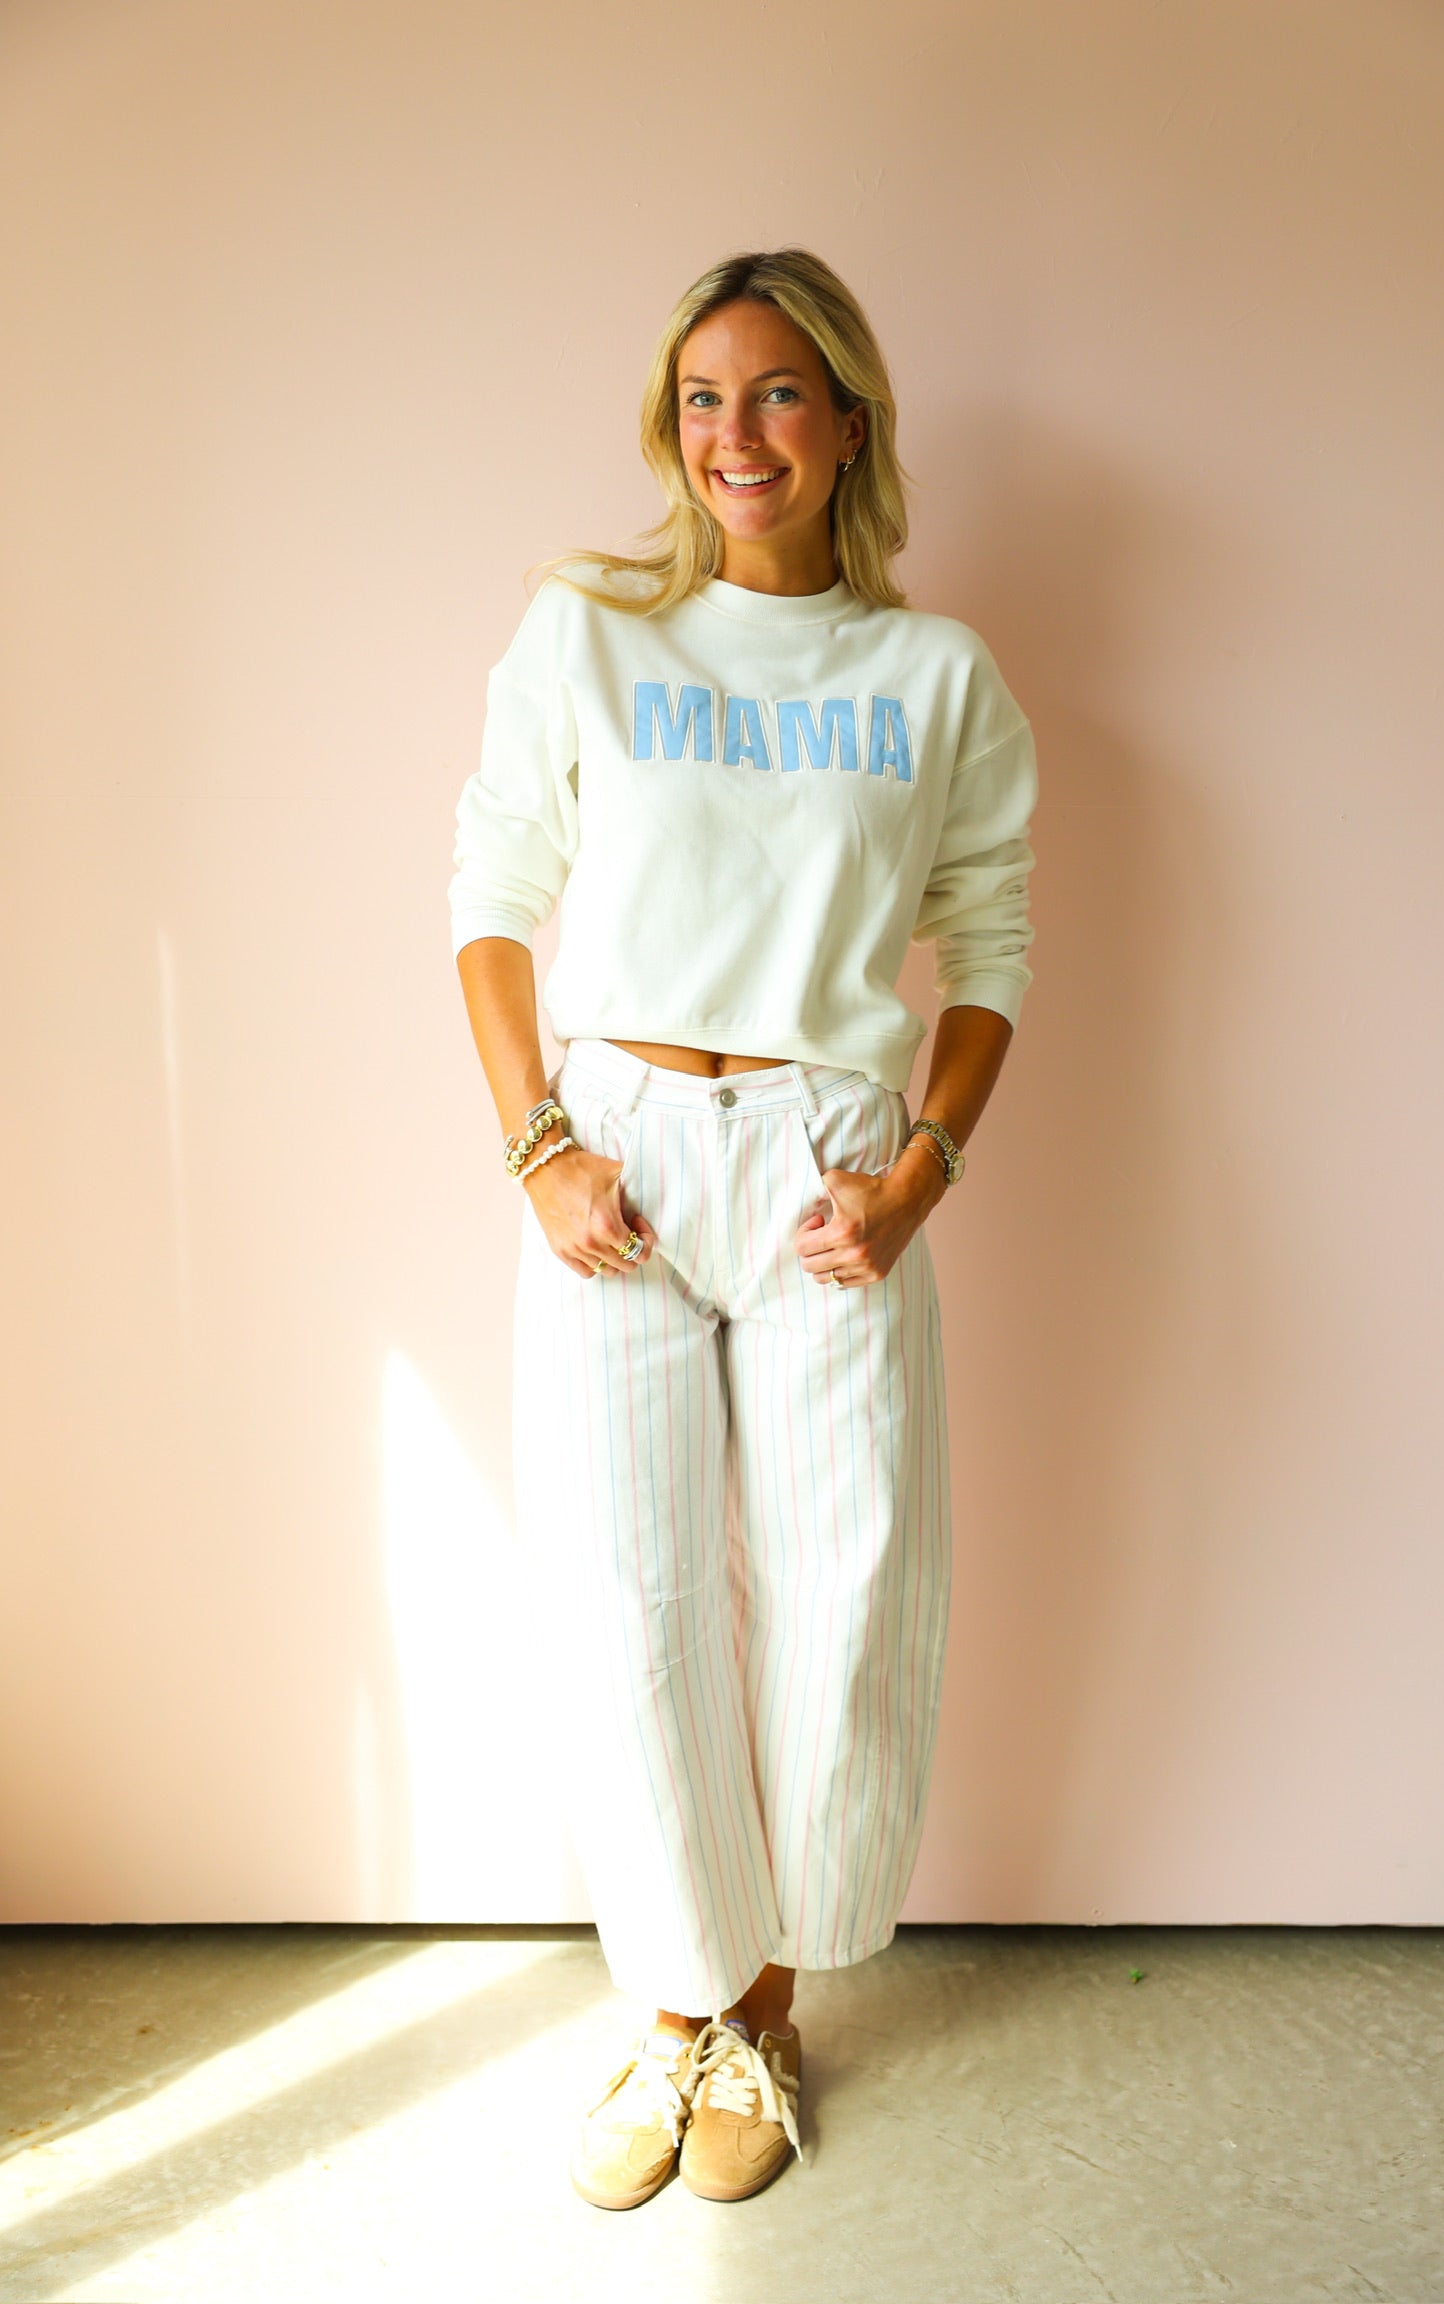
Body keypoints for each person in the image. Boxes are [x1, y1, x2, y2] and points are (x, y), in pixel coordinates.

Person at [449, 247, 1038, 2209]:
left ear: (848, 421)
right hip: (615, 1147)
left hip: (824, 1162)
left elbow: (992, 951)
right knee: (626, 1599)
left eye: (778, 393)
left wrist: (920, 1175)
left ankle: (761, 2008)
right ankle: (673, 2004)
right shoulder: (590, 631)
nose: (738, 435)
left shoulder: (934, 679)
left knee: (840, 1592)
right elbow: (491, 899)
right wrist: (538, 1144)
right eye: (704, 398)